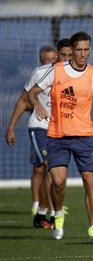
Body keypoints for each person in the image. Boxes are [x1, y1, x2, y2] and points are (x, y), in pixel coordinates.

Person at [27, 31, 93, 240]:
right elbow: (32, 92)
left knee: (89, 180)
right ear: (72, 50)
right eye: (79, 50)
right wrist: (38, 104)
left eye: (87, 50)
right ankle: (58, 215)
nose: (83, 54)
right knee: (58, 182)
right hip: (57, 136)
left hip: (84, 137)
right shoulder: (57, 71)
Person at [5, 42, 69, 229]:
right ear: (58, 55)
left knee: (55, 174)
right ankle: (48, 213)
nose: (66, 59)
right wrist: (11, 128)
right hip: (39, 127)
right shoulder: (40, 72)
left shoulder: (74, 76)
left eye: (69, 55)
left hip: (60, 131)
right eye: (63, 55)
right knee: (46, 168)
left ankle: (42, 212)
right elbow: (23, 101)